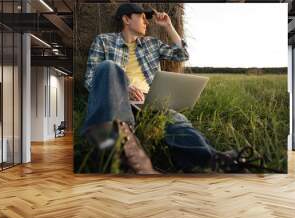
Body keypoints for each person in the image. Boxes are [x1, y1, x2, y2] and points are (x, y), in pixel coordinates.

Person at [81, 3, 245, 174]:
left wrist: (168, 26)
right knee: (108, 67)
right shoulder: (104, 41)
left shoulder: (152, 44)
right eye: (143, 17)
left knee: (177, 122)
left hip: (149, 101)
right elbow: (91, 79)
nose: (147, 22)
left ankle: (208, 162)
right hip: (117, 98)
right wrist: (123, 86)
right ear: (126, 19)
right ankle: (128, 156)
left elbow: (182, 54)